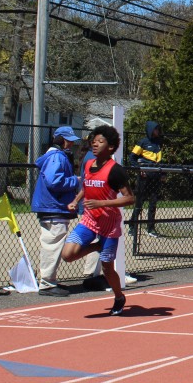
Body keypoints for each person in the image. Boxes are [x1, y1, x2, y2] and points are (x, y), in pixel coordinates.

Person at [63, 125, 135, 315]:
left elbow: (130, 198)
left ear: (110, 147)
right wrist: (76, 200)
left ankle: (119, 297)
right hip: (89, 220)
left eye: (100, 142)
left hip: (109, 225)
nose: (95, 144)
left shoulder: (115, 171)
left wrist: (102, 203)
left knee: (107, 268)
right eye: (93, 141)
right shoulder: (88, 164)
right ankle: (97, 246)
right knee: (68, 255)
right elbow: (86, 187)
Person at [31, 126, 81, 297]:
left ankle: (48, 280)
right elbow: (54, 181)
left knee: (52, 244)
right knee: (53, 245)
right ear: (60, 140)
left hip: (52, 206)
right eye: (68, 140)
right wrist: (75, 180)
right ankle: (47, 283)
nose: (71, 143)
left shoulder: (54, 155)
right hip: (54, 206)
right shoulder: (57, 156)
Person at [128, 121, 163, 238]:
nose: (158, 131)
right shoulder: (142, 142)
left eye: (158, 129)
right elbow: (132, 158)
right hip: (144, 177)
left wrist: (162, 173)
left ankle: (150, 228)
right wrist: (139, 169)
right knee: (140, 201)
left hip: (155, 177)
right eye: (156, 129)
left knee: (153, 203)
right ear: (151, 130)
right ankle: (132, 226)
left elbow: (160, 160)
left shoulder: (158, 143)